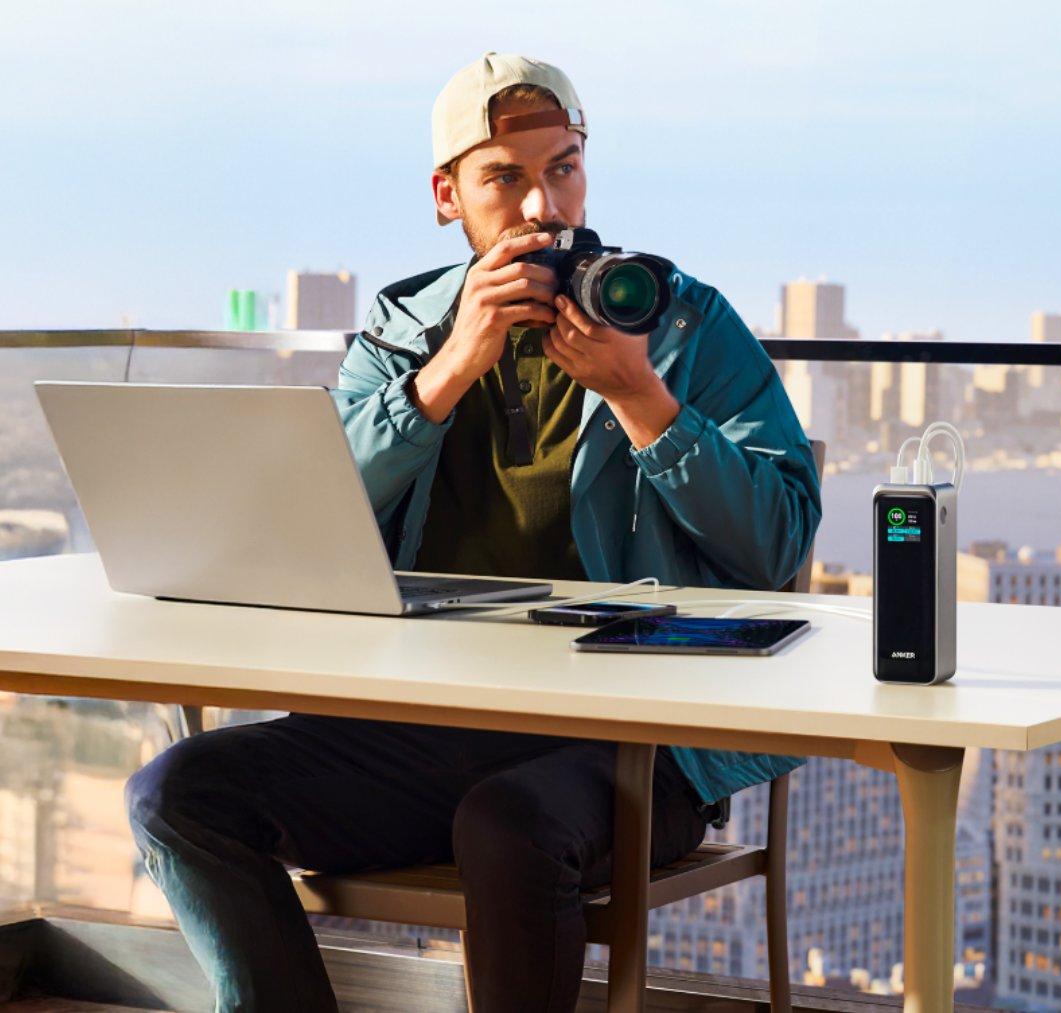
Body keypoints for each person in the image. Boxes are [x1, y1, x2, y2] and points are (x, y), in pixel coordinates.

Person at [125, 52, 821, 1012]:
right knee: (177, 797)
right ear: (448, 195)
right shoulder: (405, 329)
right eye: (506, 176)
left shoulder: (680, 322)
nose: (545, 207)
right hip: (422, 724)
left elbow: (777, 540)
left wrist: (644, 399)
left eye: (565, 167)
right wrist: (447, 371)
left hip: (632, 744)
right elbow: (306, 517)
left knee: (507, 824)